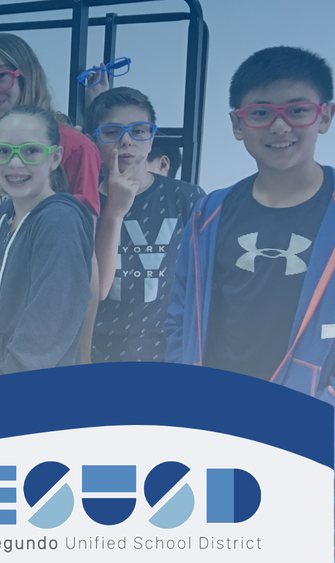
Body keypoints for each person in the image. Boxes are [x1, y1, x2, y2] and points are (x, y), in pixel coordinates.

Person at [166, 46, 335, 399]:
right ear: (237, 124)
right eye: (261, 113)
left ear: (324, 116)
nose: (279, 126)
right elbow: (181, 315)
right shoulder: (209, 213)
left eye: (297, 110)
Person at [0, 33, 103, 360]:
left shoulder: (74, 147)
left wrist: (84, 356)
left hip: (32, 337)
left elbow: (84, 267)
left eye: (0, 76)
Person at [0, 106, 94, 378]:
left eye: (31, 151)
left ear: (55, 157)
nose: (15, 163)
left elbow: (48, 328)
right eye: (3, 151)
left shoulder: (60, 221)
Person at [86, 87, 204, 363]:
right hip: (97, 348)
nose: (127, 141)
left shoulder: (187, 198)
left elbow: (205, 280)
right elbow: (89, 290)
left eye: (139, 130)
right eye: (112, 132)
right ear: (94, 141)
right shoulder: (82, 203)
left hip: (169, 349)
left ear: (152, 138)